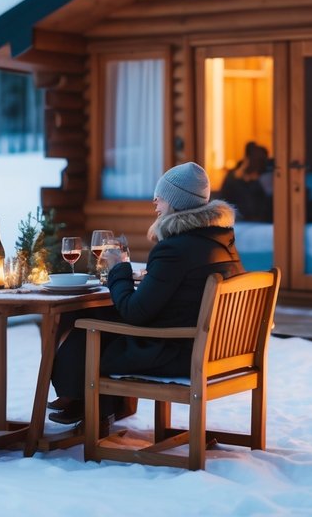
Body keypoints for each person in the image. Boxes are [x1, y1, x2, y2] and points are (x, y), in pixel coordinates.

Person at [47, 161, 244, 430]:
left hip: (181, 352)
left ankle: (79, 398)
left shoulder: (175, 249)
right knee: (98, 314)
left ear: (177, 201)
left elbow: (134, 312)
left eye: (161, 195)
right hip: (218, 348)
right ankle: (86, 403)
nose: (154, 200)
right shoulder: (220, 242)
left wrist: (118, 267)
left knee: (88, 327)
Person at [220, 141, 272, 223]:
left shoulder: (261, 181)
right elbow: (223, 203)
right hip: (238, 223)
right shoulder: (232, 180)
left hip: (257, 224)